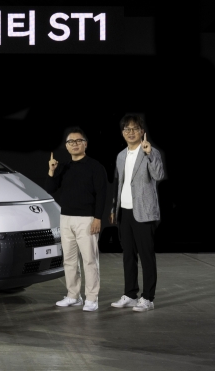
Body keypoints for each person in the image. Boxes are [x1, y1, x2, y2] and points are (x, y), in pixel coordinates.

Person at [45, 127, 107, 312]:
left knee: (89, 260)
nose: (75, 144)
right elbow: (50, 188)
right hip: (65, 218)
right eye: (71, 142)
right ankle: (73, 296)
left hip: (86, 219)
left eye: (78, 141)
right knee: (69, 260)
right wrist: (51, 170)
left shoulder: (95, 167)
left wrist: (97, 218)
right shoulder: (63, 167)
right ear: (66, 146)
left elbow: (102, 194)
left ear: (85, 144)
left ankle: (91, 298)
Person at [109, 114, 164, 312]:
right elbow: (119, 184)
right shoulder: (121, 155)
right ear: (123, 133)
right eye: (127, 129)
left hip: (143, 212)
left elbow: (159, 175)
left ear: (142, 131)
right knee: (128, 256)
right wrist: (114, 207)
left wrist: (150, 154)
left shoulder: (150, 151)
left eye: (134, 129)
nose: (130, 132)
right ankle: (130, 294)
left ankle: (148, 298)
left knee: (146, 256)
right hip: (124, 212)